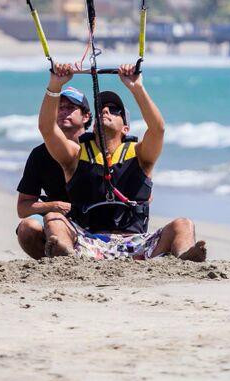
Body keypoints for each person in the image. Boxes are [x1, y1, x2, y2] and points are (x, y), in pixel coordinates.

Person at [38, 62, 206, 261]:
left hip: (136, 243)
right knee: (53, 219)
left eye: (114, 110)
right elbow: (47, 129)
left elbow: (158, 129)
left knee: (184, 224)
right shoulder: (75, 155)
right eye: (102, 108)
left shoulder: (140, 154)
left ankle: (185, 257)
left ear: (125, 128)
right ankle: (66, 255)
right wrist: (55, 85)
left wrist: (137, 88)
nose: (106, 111)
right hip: (88, 241)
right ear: (92, 127)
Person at [16, 85, 91, 259]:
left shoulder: (97, 149)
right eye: (60, 108)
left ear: (86, 116)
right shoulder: (40, 154)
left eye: (71, 108)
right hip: (57, 221)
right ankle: (57, 260)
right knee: (27, 228)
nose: (64, 112)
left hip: (94, 223)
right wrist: (53, 206)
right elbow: (23, 207)